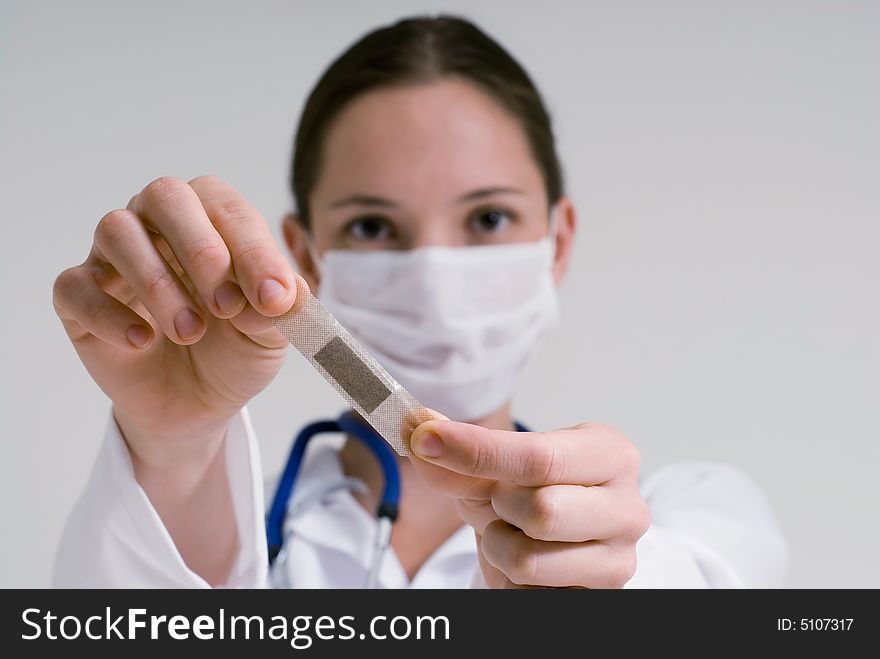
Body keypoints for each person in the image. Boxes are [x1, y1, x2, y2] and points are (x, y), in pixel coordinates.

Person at [51, 15, 786, 588]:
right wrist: (174, 447)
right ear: (304, 256)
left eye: (488, 218)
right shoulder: (210, 523)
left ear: (556, 241)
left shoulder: (690, 522)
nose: (434, 276)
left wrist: (604, 577)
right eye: (373, 226)